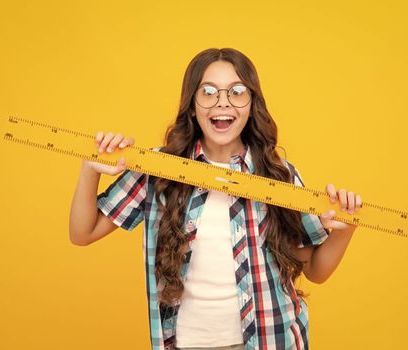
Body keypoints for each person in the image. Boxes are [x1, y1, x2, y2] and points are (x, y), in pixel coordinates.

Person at [69, 48, 362, 350]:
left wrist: (347, 226)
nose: (223, 102)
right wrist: (90, 168)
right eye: (208, 92)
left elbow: (315, 269)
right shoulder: (158, 169)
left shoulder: (277, 176)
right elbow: (82, 232)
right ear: (192, 105)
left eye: (237, 92)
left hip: (271, 341)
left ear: (251, 104)